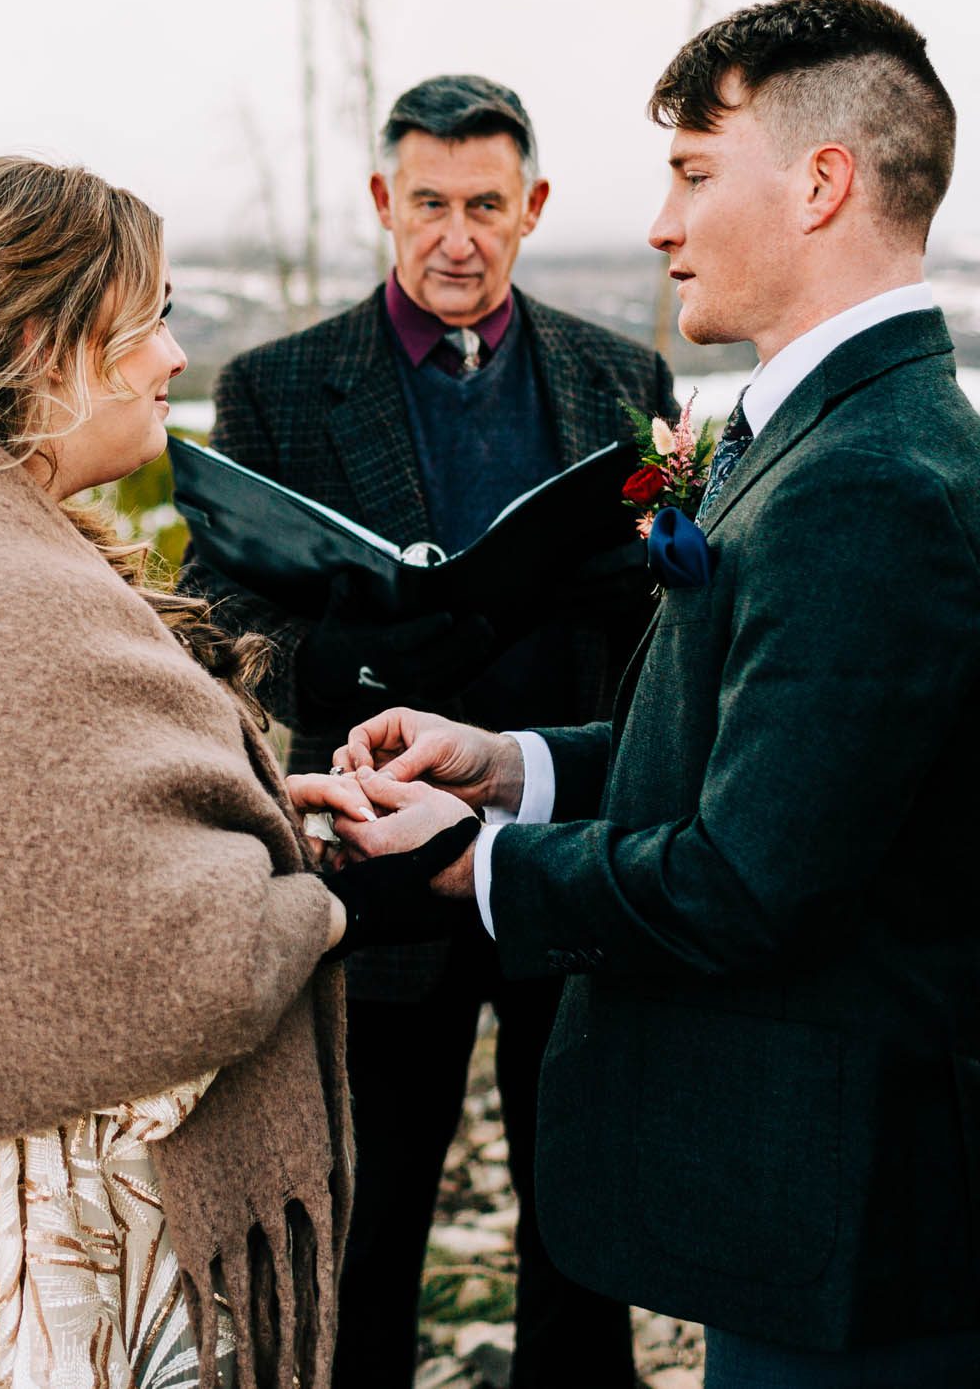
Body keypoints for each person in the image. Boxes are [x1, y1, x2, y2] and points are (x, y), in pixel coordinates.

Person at [321, 0, 980, 1389]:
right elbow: (755, 753)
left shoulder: (874, 482)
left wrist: (469, 865)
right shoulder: (826, 430)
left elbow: (749, 878)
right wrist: (508, 763)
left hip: (865, 1214)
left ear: (822, 182)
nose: (661, 223)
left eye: (695, 172)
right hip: (815, 1196)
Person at [0, 156, 477, 1389]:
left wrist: (276, 822)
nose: (173, 357)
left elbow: (66, 854)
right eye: (149, 319)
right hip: (5, 1273)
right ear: (50, 348)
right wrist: (337, 889)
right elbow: (154, 951)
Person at [178, 76, 670, 1389]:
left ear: (535, 208)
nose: (459, 237)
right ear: (385, 201)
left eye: (489, 207)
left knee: (583, 1204)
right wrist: (348, 659)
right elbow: (225, 600)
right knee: (370, 1215)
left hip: (566, 837)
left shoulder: (622, 377)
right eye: (432, 204)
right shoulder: (282, 389)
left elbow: (664, 611)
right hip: (378, 854)